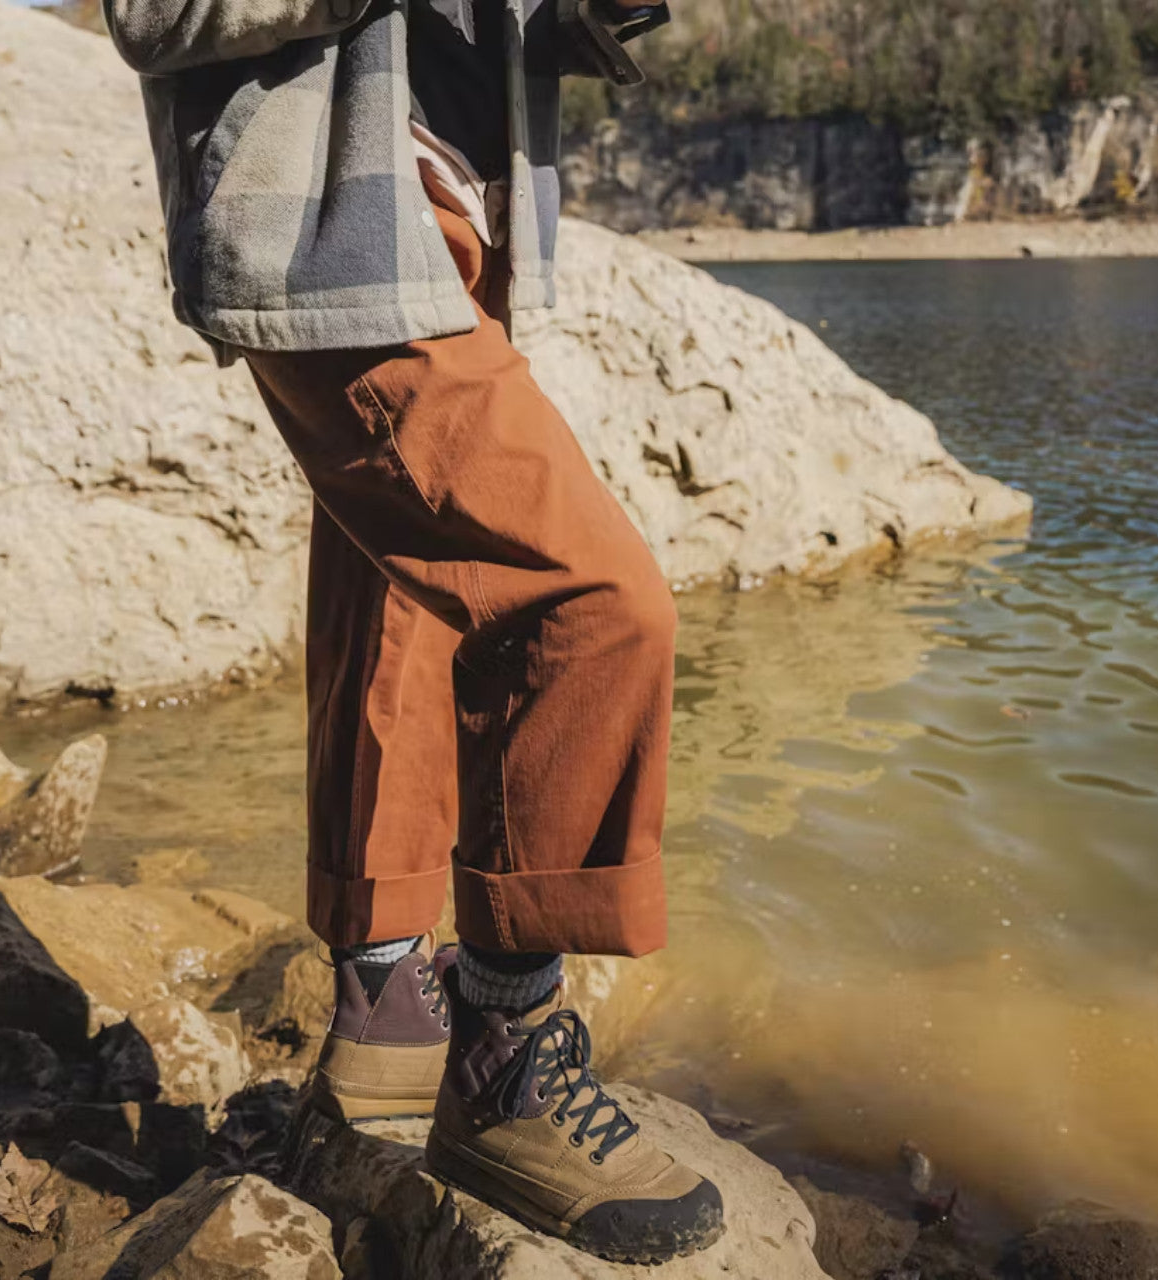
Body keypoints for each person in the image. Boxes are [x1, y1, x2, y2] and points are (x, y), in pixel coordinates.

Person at [104, 0, 724, 1262]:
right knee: (593, 602)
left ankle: (388, 1007)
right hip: (328, 232)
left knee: (398, 602)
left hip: (444, 228)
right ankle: (505, 1070)